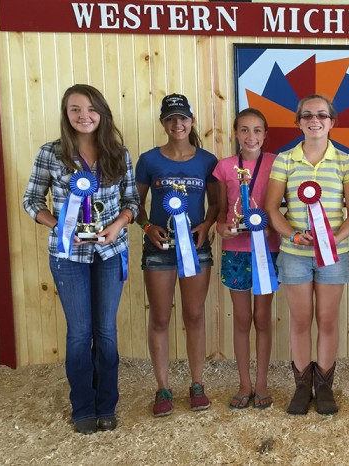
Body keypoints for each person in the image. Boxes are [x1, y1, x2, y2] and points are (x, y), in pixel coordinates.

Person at [23, 84, 140, 434]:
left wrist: (119, 225)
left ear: (101, 112)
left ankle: (107, 406)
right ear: (66, 114)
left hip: (109, 252)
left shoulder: (119, 154)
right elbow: (32, 201)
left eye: (90, 109)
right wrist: (59, 225)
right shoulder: (50, 153)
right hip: (68, 255)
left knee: (105, 332)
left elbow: (133, 202)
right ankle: (83, 408)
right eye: (75, 109)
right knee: (78, 334)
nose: (83, 115)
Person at [264, 94, 349, 415]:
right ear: (298, 122)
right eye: (307, 116)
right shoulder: (284, 159)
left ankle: (324, 386)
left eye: (321, 115)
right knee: (301, 320)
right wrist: (292, 233)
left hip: (333, 254)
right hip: (294, 253)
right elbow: (271, 209)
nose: (314, 120)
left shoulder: (346, 162)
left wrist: (332, 238)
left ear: (333, 122)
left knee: (328, 320)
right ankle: (302, 386)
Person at [135, 94, 218, 417]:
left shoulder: (207, 161)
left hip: (196, 250)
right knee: (160, 318)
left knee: (194, 317)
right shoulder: (149, 160)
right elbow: (135, 204)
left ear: (192, 121)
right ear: (163, 124)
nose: (177, 124)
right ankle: (162, 388)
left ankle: (197, 384)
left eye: (182, 118)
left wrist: (207, 226)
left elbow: (216, 204)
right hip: (158, 250)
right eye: (171, 119)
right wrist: (146, 227)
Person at [214, 108, 280, 409]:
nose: (250, 136)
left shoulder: (278, 164)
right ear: (236, 133)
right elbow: (218, 209)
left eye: (256, 130)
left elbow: (285, 207)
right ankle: (244, 382)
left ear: (265, 134)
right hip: (235, 253)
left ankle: (262, 382)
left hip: (268, 251)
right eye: (244, 130)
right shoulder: (224, 167)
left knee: (262, 319)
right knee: (241, 319)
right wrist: (221, 227)